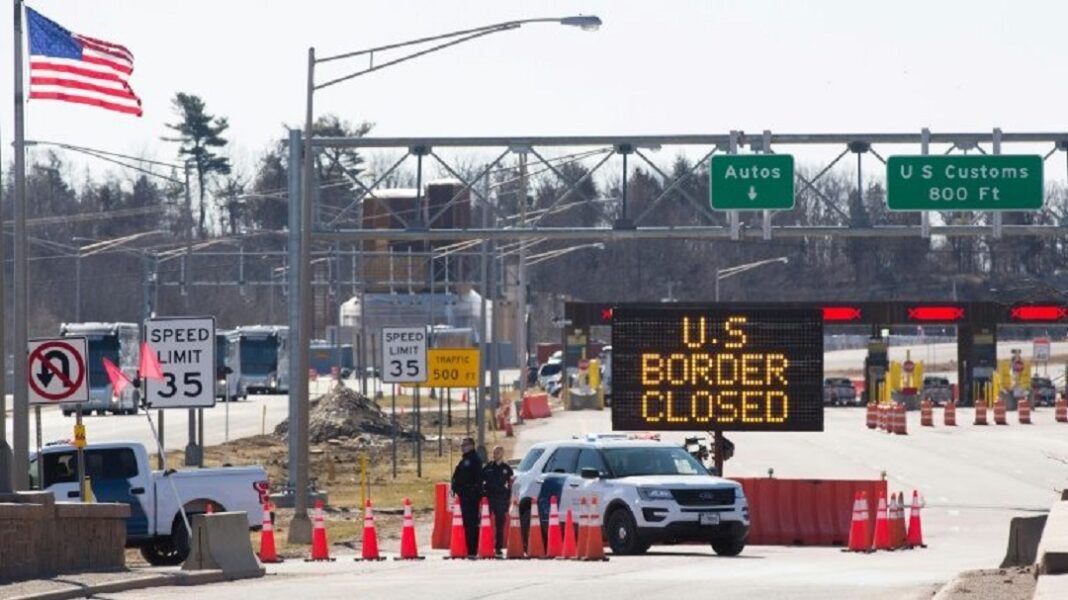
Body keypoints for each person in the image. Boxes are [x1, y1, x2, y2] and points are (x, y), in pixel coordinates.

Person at [451, 437, 483, 557]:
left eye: (465, 445)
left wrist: (471, 492)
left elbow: (474, 479)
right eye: (462, 445)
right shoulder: (465, 459)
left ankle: (472, 549)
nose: (463, 447)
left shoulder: (473, 460)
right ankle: (469, 547)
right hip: (464, 496)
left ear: (472, 446)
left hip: (470, 497)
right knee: (466, 523)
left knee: (471, 524)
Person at [481, 445, 514, 555]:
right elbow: (481, 480)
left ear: (502, 454)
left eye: (498, 452)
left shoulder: (507, 469)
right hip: (489, 497)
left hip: (501, 499)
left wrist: (508, 500)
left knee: (500, 524)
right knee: (484, 522)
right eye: (494, 452)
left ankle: (498, 547)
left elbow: (510, 485)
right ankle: (484, 545)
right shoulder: (488, 467)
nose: (495, 455)